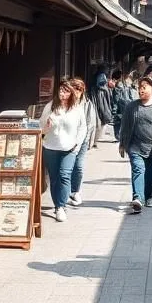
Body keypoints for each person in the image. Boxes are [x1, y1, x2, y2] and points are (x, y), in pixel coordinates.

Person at [118, 76, 152, 214]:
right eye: (139, 88)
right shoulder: (131, 107)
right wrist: (122, 144)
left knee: (151, 176)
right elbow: (124, 126)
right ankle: (138, 198)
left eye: (144, 87)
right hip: (135, 147)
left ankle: (148, 195)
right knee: (138, 170)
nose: (141, 90)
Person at [39, 79, 87, 222]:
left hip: (69, 148)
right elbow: (41, 127)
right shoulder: (50, 107)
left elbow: (82, 127)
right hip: (51, 147)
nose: (62, 93)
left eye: (66, 91)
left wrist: (76, 145)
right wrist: (47, 126)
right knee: (54, 178)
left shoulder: (76, 108)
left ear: (71, 93)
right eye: (60, 90)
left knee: (64, 175)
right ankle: (57, 206)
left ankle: (61, 205)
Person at [68, 78, 96, 207]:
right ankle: (66, 192)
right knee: (67, 167)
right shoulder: (65, 103)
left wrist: (89, 140)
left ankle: (75, 191)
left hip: (82, 140)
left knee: (78, 166)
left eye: (79, 89)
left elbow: (91, 123)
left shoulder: (87, 103)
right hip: (67, 140)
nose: (77, 92)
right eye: (74, 88)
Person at [92, 73, 113, 145]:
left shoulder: (96, 89)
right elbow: (109, 101)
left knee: (99, 125)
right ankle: (95, 141)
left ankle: (94, 141)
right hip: (102, 108)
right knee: (100, 125)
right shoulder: (105, 89)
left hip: (100, 108)